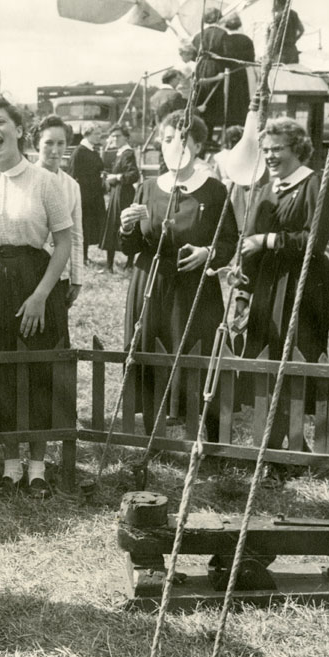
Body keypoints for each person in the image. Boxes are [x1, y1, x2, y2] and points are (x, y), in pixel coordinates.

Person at [0, 93, 72, 498]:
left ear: (20, 130)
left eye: (1, 122)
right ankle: (9, 464)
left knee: (36, 368)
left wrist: (42, 295)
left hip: (32, 281)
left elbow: (62, 242)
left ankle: (37, 466)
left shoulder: (44, 181)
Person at [119, 111, 237, 439]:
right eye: (168, 138)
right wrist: (125, 226)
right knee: (150, 349)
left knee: (195, 351)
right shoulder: (146, 187)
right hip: (151, 283)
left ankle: (204, 434)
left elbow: (229, 239)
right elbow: (132, 245)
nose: (174, 145)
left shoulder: (213, 191)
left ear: (198, 146)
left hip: (194, 285)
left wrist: (207, 253)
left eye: (183, 139)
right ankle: (153, 431)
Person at [237, 117, 329, 449]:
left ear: (296, 148)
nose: (270, 156)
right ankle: (277, 444)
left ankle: (292, 444)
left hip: (303, 284)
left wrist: (267, 240)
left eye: (277, 148)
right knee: (267, 356)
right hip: (267, 282)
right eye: (265, 150)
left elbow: (315, 240)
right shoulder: (265, 189)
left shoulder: (315, 185)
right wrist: (242, 292)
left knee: (294, 359)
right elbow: (248, 243)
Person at [36, 115, 84, 313]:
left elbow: (76, 234)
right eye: (48, 143)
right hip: (27, 269)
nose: (55, 150)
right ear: (36, 143)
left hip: (58, 270)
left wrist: (77, 277)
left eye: (60, 143)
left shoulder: (71, 185)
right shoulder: (26, 178)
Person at [99, 124, 140, 272]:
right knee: (114, 226)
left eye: (118, 136)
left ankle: (126, 263)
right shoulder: (119, 153)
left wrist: (116, 177)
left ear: (126, 138)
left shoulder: (127, 153)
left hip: (124, 196)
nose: (114, 138)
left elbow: (134, 175)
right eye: (113, 136)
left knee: (121, 225)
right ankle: (111, 265)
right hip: (117, 193)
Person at [69, 121, 106, 263]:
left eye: (100, 134)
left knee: (89, 226)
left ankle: (85, 256)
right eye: (97, 134)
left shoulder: (92, 150)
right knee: (82, 226)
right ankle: (81, 257)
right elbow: (72, 175)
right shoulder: (79, 152)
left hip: (94, 195)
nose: (99, 137)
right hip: (84, 196)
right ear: (88, 133)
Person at [188, 7, 228, 137]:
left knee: (200, 98)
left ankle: (201, 134)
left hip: (200, 68)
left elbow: (194, 55)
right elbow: (226, 55)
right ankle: (209, 135)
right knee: (215, 101)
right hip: (216, 68)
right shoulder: (222, 34)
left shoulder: (198, 35)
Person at [220, 13, 255, 127]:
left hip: (227, 73)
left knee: (228, 101)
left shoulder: (224, 39)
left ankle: (229, 126)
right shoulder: (247, 39)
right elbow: (251, 59)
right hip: (242, 73)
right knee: (242, 100)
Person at [267, 0, 305, 65]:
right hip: (293, 53)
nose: (270, 5)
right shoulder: (294, 14)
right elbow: (302, 30)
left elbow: (272, 40)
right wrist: (293, 40)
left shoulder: (278, 18)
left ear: (277, 2)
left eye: (271, 2)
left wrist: (268, 56)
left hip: (281, 55)